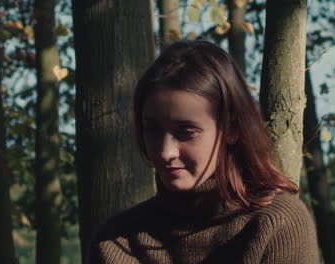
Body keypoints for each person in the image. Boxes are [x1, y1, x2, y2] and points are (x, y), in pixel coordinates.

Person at [89, 41, 319, 264]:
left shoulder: (276, 224)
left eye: (185, 132)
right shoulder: (115, 241)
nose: (165, 151)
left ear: (232, 129)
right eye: (153, 130)